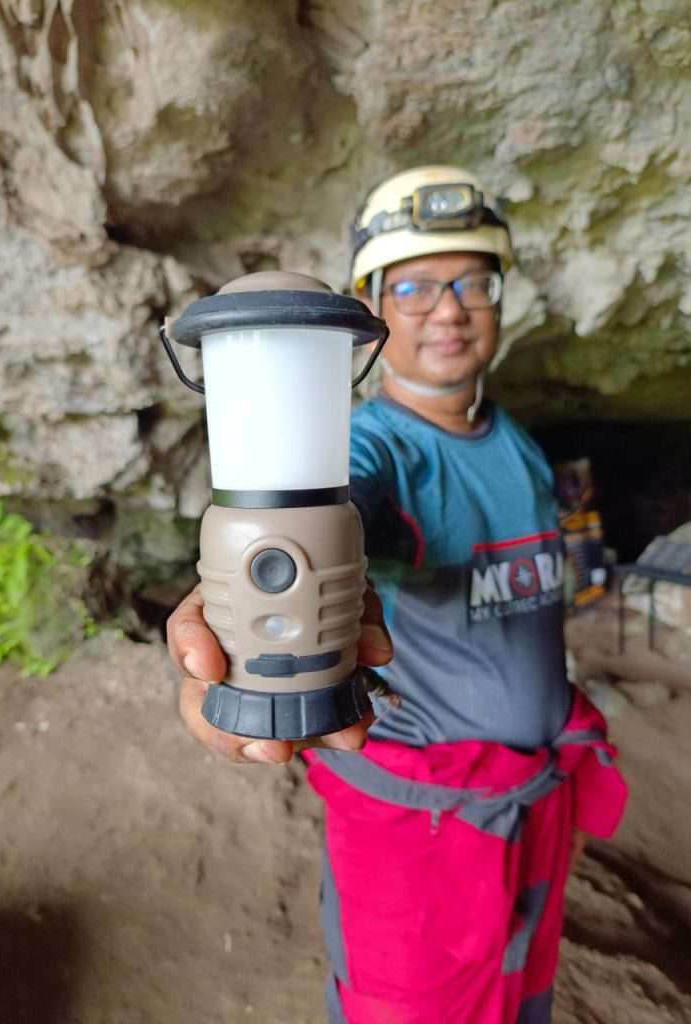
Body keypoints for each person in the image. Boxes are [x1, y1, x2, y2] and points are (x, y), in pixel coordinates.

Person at [166, 166, 628, 1024]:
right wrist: (239, 613)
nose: (449, 309)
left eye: (473, 283)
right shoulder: (370, 451)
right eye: (413, 287)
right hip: (422, 830)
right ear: (370, 313)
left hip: (531, 805)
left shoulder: (518, 444)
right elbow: (316, 515)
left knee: (523, 997)